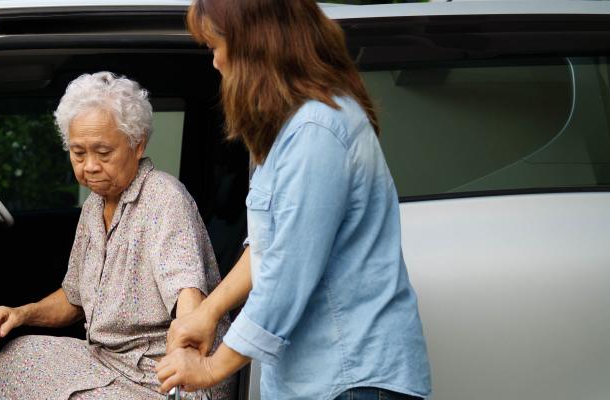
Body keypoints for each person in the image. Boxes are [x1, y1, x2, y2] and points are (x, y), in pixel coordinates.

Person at [155, 1, 432, 400]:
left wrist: (212, 367)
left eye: (215, 46)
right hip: (317, 380)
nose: (214, 62)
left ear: (254, 45)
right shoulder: (290, 129)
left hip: (349, 377)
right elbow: (268, 246)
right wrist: (207, 314)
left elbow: (287, 272)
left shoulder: (317, 131)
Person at [0, 72, 234, 400]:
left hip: (163, 373)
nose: (90, 166)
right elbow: (74, 299)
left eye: (103, 152)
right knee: (18, 357)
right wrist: (21, 313)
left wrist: (187, 361)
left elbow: (188, 295)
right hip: (109, 361)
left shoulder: (164, 197)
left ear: (137, 144)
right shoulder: (94, 205)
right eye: (78, 153)